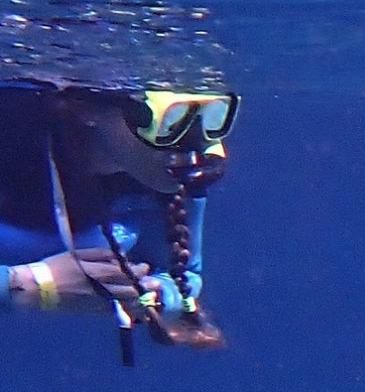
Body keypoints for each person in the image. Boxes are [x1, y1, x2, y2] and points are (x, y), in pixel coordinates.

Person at [0, 82, 232, 357]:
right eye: (170, 121)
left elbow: (181, 276)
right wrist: (33, 283)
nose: (193, 153)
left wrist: (153, 295)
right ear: (85, 107)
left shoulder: (165, 179)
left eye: (211, 117)